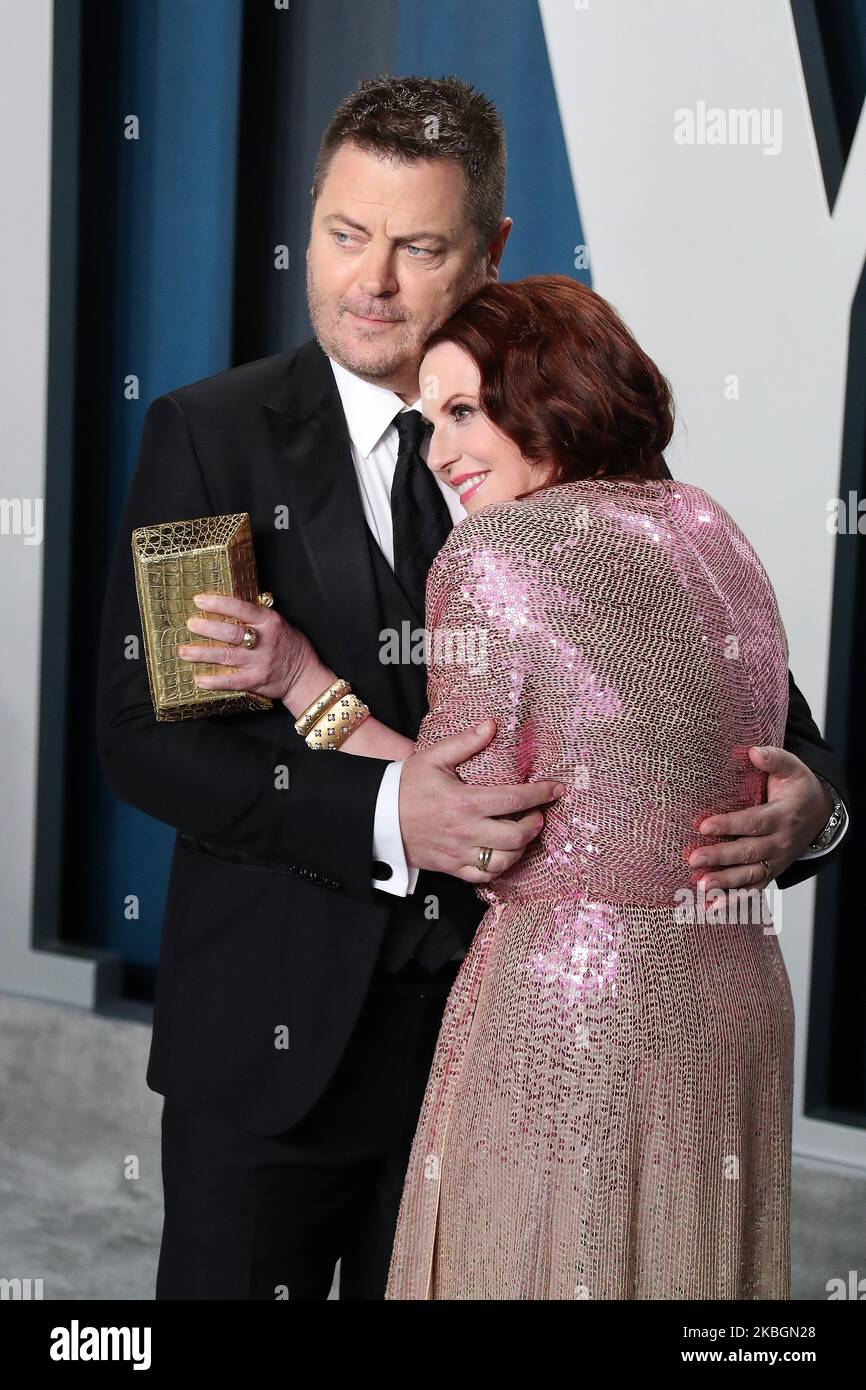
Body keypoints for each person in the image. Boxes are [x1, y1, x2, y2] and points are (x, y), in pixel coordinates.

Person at [96, 76, 848, 1300]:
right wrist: (391, 816)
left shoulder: (584, 455)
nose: (370, 280)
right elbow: (149, 743)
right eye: (343, 234)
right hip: (274, 1053)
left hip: (525, 1063)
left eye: (417, 245)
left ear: (491, 248)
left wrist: (814, 808)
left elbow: (773, 726)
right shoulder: (209, 436)